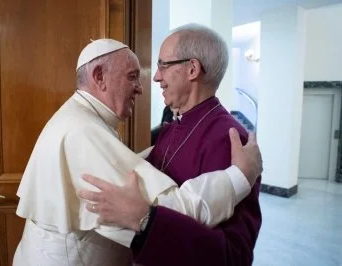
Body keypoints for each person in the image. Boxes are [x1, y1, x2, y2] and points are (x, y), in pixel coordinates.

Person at [13, 38, 262, 265]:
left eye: (163, 65)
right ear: (99, 76)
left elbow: (232, 253)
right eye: (133, 76)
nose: (150, 81)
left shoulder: (230, 138)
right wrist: (239, 176)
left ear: (192, 70)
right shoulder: (82, 132)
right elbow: (164, 212)